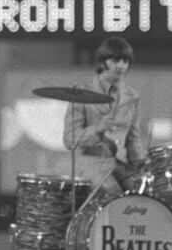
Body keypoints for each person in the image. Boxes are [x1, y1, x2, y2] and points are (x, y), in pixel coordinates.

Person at [62, 35, 147, 201]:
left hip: (119, 164)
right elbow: (69, 139)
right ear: (103, 61)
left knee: (147, 193)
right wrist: (98, 129)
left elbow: (133, 138)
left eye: (125, 61)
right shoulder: (81, 93)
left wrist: (140, 163)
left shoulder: (132, 97)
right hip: (90, 162)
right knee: (112, 193)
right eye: (115, 60)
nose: (121, 66)